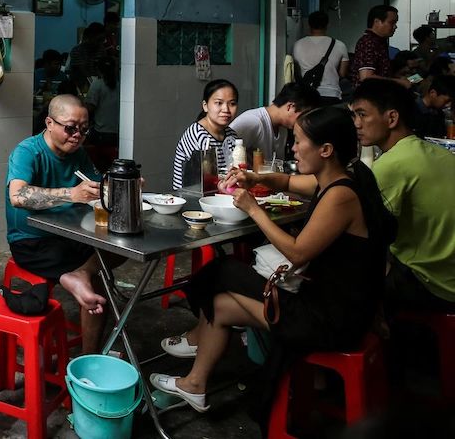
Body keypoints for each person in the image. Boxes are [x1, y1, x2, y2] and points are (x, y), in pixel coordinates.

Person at [152, 107, 395, 426]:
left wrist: (254, 209)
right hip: (328, 304)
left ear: (325, 150)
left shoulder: (341, 196)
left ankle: (196, 337)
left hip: (330, 319)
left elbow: (297, 253)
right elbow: (288, 180)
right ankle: (194, 383)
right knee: (220, 303)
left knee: (223, 270)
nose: (294, 149)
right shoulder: (336, 180)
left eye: (299, 142)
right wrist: (255, 178)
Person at [5, 94, 108, 353]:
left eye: (84, 129)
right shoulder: (28, 151)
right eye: (70, 128)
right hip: (32, 242)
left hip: (70, 236)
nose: (77, 136)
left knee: (116, 249)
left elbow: (97, 186)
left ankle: (89, 355)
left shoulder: (79, 153)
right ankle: (89, 356)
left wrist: (122, 183)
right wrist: (72, 194)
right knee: (97, 278)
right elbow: (18, 196)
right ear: (49, 123)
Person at [351, 79, 455, 316]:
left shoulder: (392, 164)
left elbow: (361, 229)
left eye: (362, 114)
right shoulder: (438, 153)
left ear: (392, 118)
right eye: (354, 115)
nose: (356, 123)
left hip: (432, 286)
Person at [229, 82, 321, 165]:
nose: (304, 121)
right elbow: (227, 155)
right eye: (303, 115)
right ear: (290, 107)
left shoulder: (284, 127)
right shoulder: (252, 121)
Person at [172, 79, 239, 191]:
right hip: (192, 196)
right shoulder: (198, 135)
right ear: (205, 106)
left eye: (232, 103)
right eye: (219, 103)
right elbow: (204, 182)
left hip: (220, 193)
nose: (226, 109)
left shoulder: (231, 135)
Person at [292, 10, 350, 105]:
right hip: (332, 95)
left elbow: (295, 71)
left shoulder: (297, 45)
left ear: (309, 25)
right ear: (327, 25)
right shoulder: (340, 45)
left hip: (307, 94)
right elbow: (342, 74)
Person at [351, 5, 412, 88]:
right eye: (392, 22)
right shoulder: (368, 42)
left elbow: (382, 72)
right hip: (369, 94)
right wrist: (398, 82)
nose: (395, 26)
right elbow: (366, 77)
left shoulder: (379, 41)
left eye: (395, 23)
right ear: (377, 22)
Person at [67, 22, 107, 89]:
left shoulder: (101, 50)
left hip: (96, 84)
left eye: (102, 40)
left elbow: (103, 70)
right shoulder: (77, 50)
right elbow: (84, 72)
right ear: (90, 37)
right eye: (98, 40)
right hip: (79, 86)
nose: (100, 43)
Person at [413, 74, 454, 138]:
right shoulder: (412, 110)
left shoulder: (439, 114)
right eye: (447, 101)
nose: (449, 105)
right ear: (433, 93)